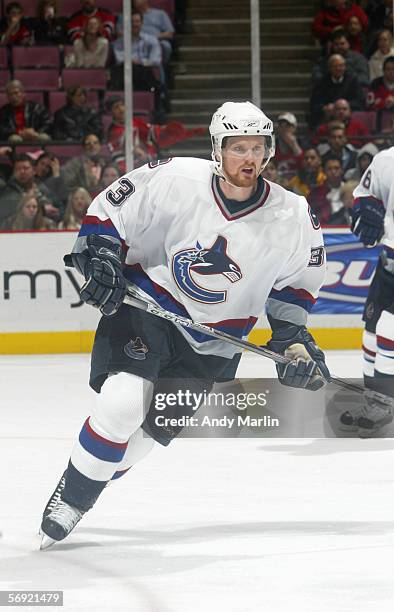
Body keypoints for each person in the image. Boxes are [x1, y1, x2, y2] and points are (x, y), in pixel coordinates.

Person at [39, 101, 331, 548]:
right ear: (218, 149)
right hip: (148, 307)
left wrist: (294, 344)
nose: (248, 159)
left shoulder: (292, 215)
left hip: (215, 343)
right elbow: (110, 213)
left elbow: (294, 289)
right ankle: (75, 497)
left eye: (257, 148)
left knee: (145, 439)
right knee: (121, 404)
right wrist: (100, 256)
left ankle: (88, 478)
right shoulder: (175, 177)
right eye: (238, 148)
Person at [339, 146, 394, 435]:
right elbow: (364, 195)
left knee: (390, 329)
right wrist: (365, 209)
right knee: (372, 332)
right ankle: (374, 400)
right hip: (389, 266)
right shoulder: (387, 160)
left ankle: (385, 402)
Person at [0, 153, 61, 225]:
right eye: (18, 169)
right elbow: (12, 210)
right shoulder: (9, 190)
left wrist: (57, 213)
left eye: (25, 168)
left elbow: (60, 206)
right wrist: (42, 210)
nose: (22, 171)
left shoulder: (43, 187)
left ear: (34, 170)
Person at [309, 54, 365, 128]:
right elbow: (315, 102)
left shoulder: (352, 80)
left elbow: (359, 100)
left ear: (345, 67)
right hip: (328, 116)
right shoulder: (322, 81)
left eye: (341, 66)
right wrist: (325, 107)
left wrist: (343, 107)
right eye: (335, 66)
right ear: (329, 68)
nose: (338, 68)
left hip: (348, 115)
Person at [308, 154, 346, 224]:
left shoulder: (350, 191)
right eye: (329, 169)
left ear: (342, 170)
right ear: (324, 172)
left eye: (336, 168)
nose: (333, 172)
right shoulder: (315, 193)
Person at [273, 112, 303, 181]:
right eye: (281, 125)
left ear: (294, 128)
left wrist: (294, 144)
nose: (284, 128)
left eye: (287, 125)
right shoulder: (273, 144)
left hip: (298, 182)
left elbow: (303, 163)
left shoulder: (303, 143)